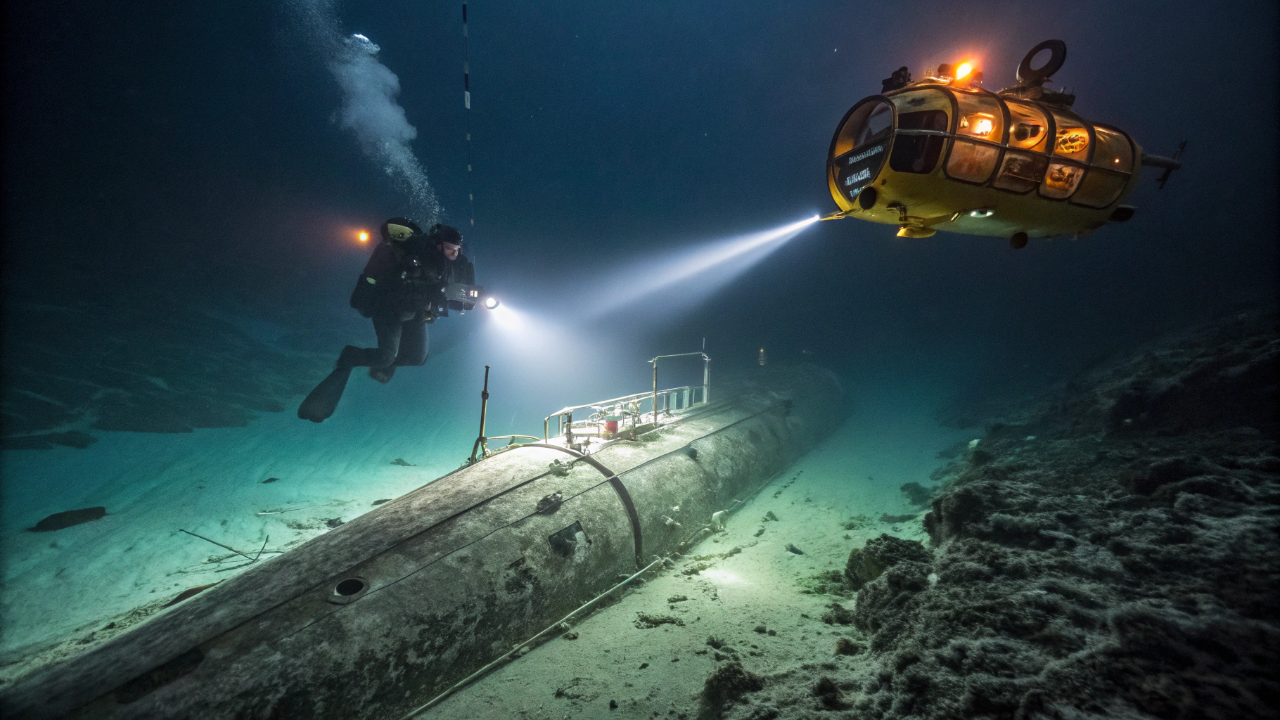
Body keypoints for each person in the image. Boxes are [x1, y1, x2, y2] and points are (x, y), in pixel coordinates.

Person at [298, 218, 476, 423]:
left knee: (417, 358)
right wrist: (432, 291)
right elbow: (399, 286)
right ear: (437, 245)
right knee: (384, 356)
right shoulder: (415, 255)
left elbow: (453, 295)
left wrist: (463, 299)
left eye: (457, 250)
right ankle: (351, 356)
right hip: (389, 308)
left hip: (415, 313)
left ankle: (386, 362)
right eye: (450, 250)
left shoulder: (451, 265)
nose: (454, 255)